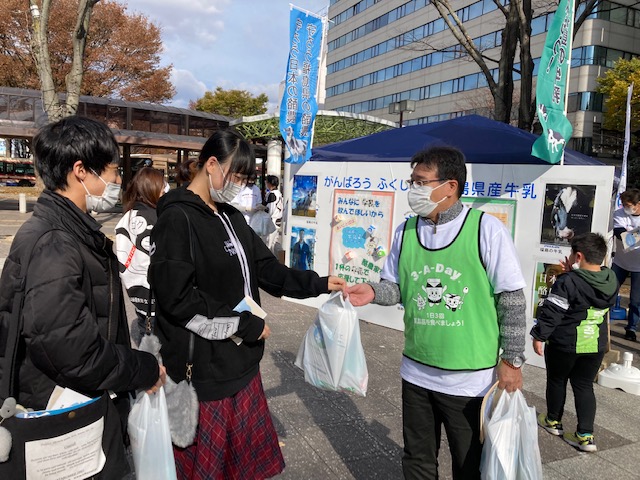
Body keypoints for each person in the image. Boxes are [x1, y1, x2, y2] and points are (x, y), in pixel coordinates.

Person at [148, 129, 345, 479]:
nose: (239, 184)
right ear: (211, 164)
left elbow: (266, 269)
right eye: (236, 175)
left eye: (244, 178)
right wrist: (246, 324)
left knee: (241, 469)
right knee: (206, 470)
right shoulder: (177, 220)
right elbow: (178, 300)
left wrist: (319, 284)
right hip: (204, 371)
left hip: (241, 364)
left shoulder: (231, 216)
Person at [345, 146, 527, 480]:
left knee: (468, 462)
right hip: (416, 372)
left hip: (469, 380)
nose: (414, 190)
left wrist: (512, 360)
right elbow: (396, 287)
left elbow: (511, 298)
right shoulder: (406, 231)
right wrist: (371, 291)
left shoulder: (485, 229)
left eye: (421, 181)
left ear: (450, 186)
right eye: (412, 181)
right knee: (417, 458)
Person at [0, 116, 165, 478]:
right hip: (61, 420)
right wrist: (142, 369)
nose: (117, 181)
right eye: (112, 170)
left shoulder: (66, 232)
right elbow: (71, 349)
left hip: (75, 406)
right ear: (80, 171)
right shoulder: (55, 243)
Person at [532, 233, 618, 452]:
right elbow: (588, 288)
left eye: (571, 253)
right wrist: (572, 273)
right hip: (594, 345)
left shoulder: (567, 282)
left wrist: (539, 336)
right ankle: (585, 435)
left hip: (565, 343)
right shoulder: (611, 279)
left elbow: (552, 312)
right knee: (584, 385)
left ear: (578, 255)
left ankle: (553, 421)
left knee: (557, 380)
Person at [115, 167, 167, 345]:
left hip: (137, 295)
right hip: (158, 301)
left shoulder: (127, 217)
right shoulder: (157, 219)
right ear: (151, 188)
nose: (165, 191)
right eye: (162, 187)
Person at [611, 188, 640, 341]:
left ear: (638, 204)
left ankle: (631, 328)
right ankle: (603, 322)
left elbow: (630, 238)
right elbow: (622, 237)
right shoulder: (619, 214)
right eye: (623, 204)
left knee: (636, 300)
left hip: (639, 267)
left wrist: (633, 235)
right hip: (620, 263)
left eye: (628, 204)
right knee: (608, 292)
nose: (625, 207)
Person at [262, 175, 283, 254]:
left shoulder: (272, 194)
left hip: (272, 221)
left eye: (267, 182)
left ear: (270, 183)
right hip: (278, 220)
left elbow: (270, 209)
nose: (266, 184)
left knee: (268, 243)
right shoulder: (278, 193)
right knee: (273, 243)